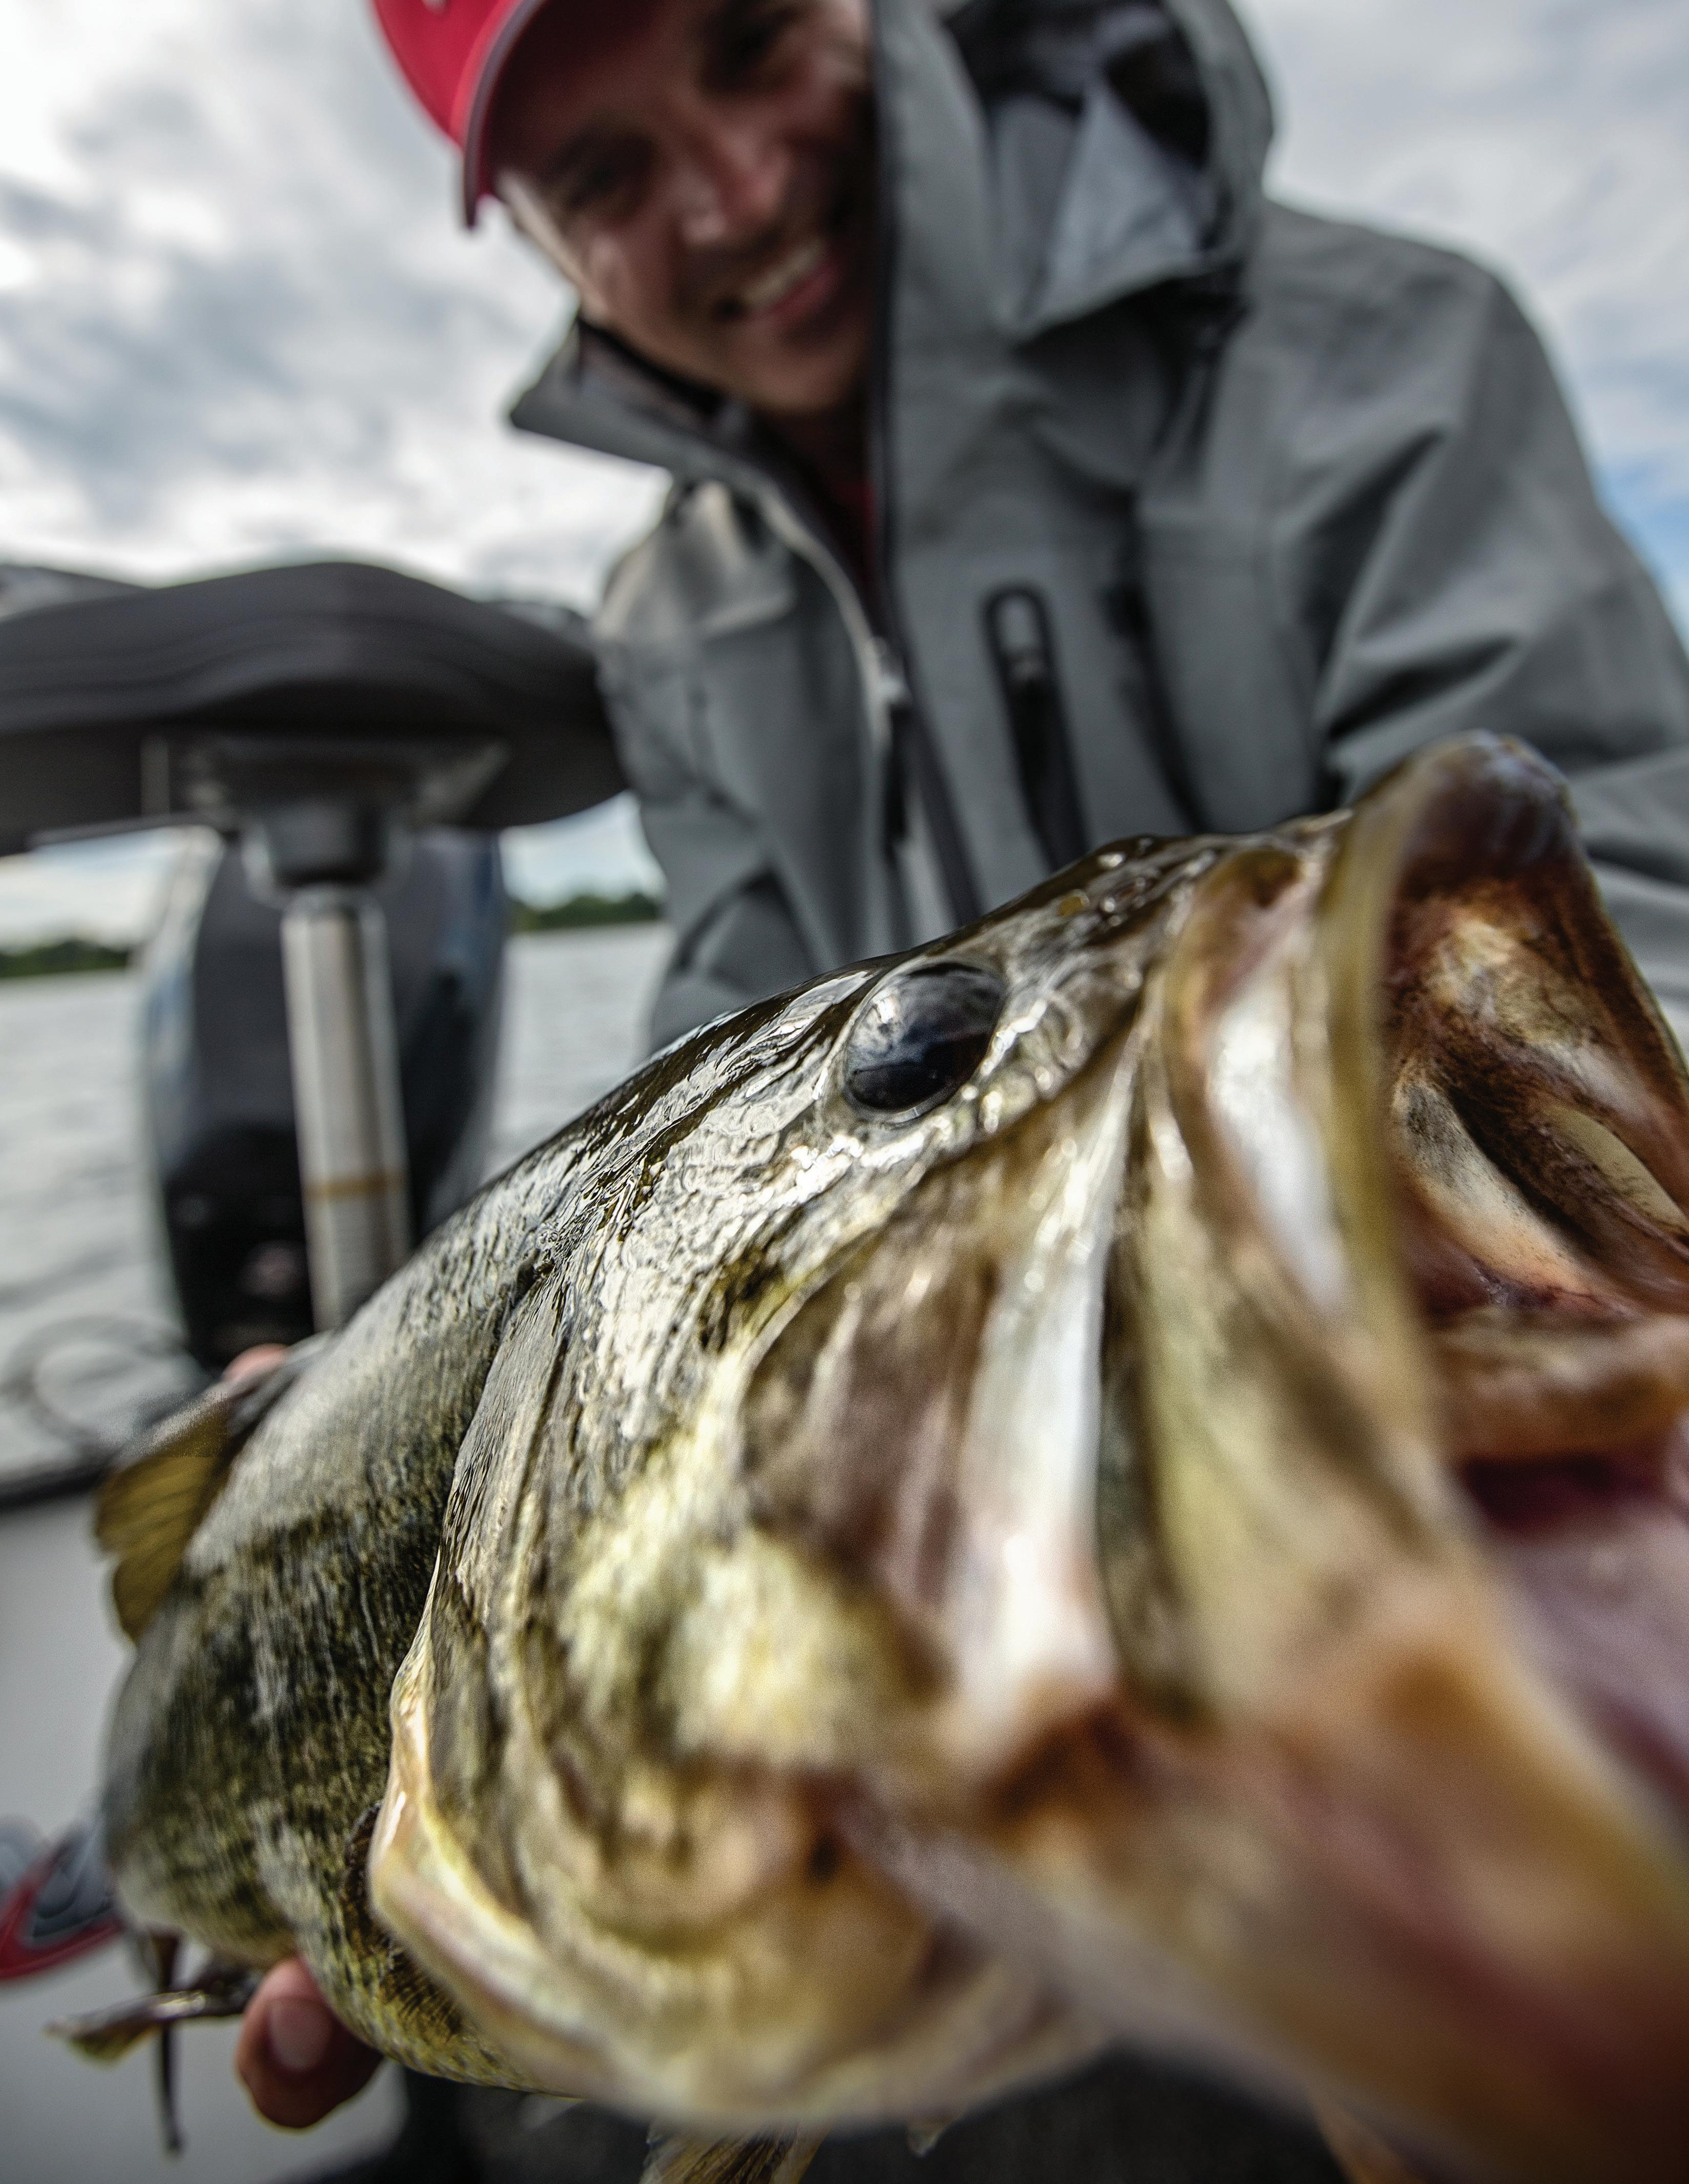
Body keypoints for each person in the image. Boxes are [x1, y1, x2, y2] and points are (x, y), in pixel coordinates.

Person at [234, 0, 1689, 2168]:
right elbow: (715, 1081)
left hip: (1435, 1583)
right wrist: (380, 1452)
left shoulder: (1384, 350)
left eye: (749, 44)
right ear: (534, 240)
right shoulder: (668, 612)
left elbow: (1620, 905)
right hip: (973, 1697)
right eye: (608, 176)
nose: (737, 193)